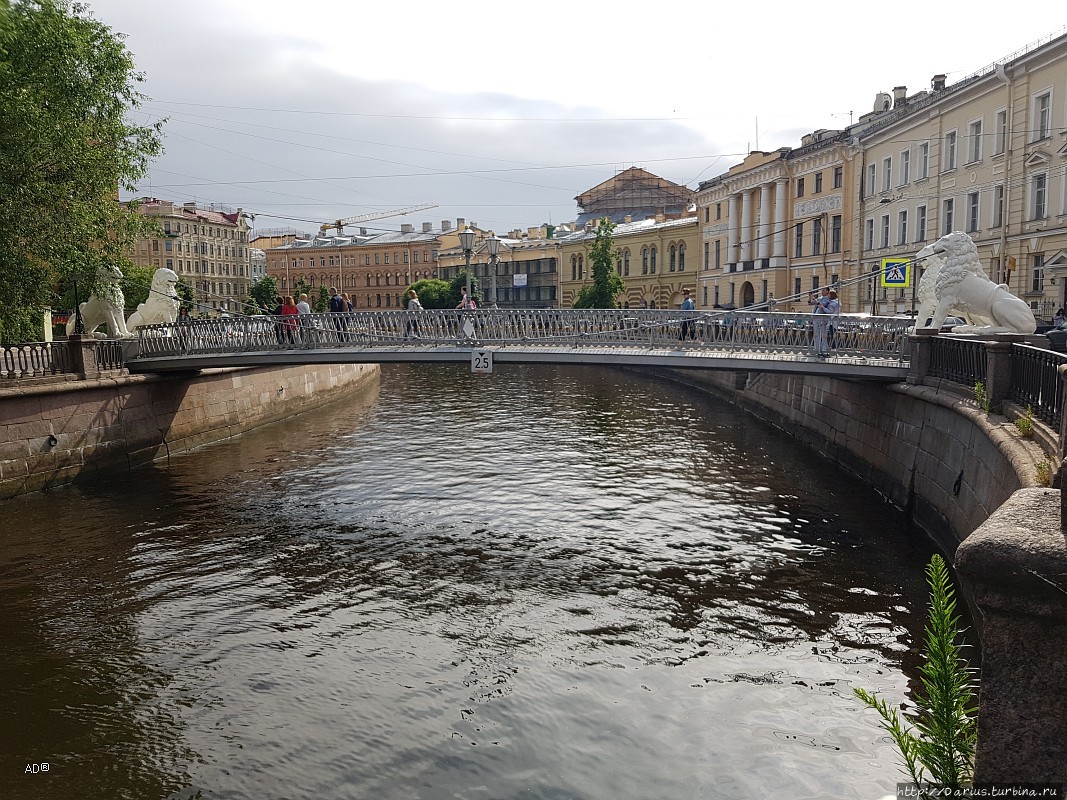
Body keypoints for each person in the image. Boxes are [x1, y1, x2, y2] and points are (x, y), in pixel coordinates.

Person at [809, 287, 840, 357]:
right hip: (816, 318)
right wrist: (810, 297)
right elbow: (811, 303)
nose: (821, 292)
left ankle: (823, 350)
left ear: (827, 292)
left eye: (823, 290)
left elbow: (821, 305)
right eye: (821, 290)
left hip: (822, 319)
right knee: (816, 334)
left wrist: (814, 298)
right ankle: (817, 349)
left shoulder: (828, 300)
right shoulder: (821, 298)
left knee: (823, 335)